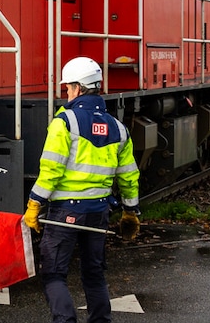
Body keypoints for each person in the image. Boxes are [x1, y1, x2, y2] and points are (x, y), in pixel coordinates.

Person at [24, 56, 141, 323]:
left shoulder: (64, 122)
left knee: (54, 273)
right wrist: (131, 212)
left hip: (65, 211)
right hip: (98, 211)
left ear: (77, 88)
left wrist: (34, 204)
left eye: (68, 88)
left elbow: (51, 169)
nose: (66, 93)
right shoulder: (118, 128)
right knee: (94, 273)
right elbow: (129, 176)